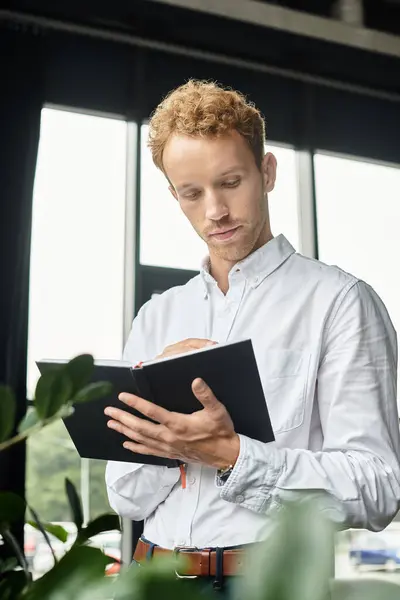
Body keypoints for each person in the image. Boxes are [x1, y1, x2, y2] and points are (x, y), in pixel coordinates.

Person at [105, 79, 400, 595]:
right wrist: (172, 444)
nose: (215, 210)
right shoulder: (156, 316)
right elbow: (126, 497)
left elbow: (378, 486)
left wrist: (233, 455)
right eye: (193, 193)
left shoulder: (340, 302)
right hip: (151, 579)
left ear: (266, 173)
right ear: (175, 196)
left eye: (231, 182)